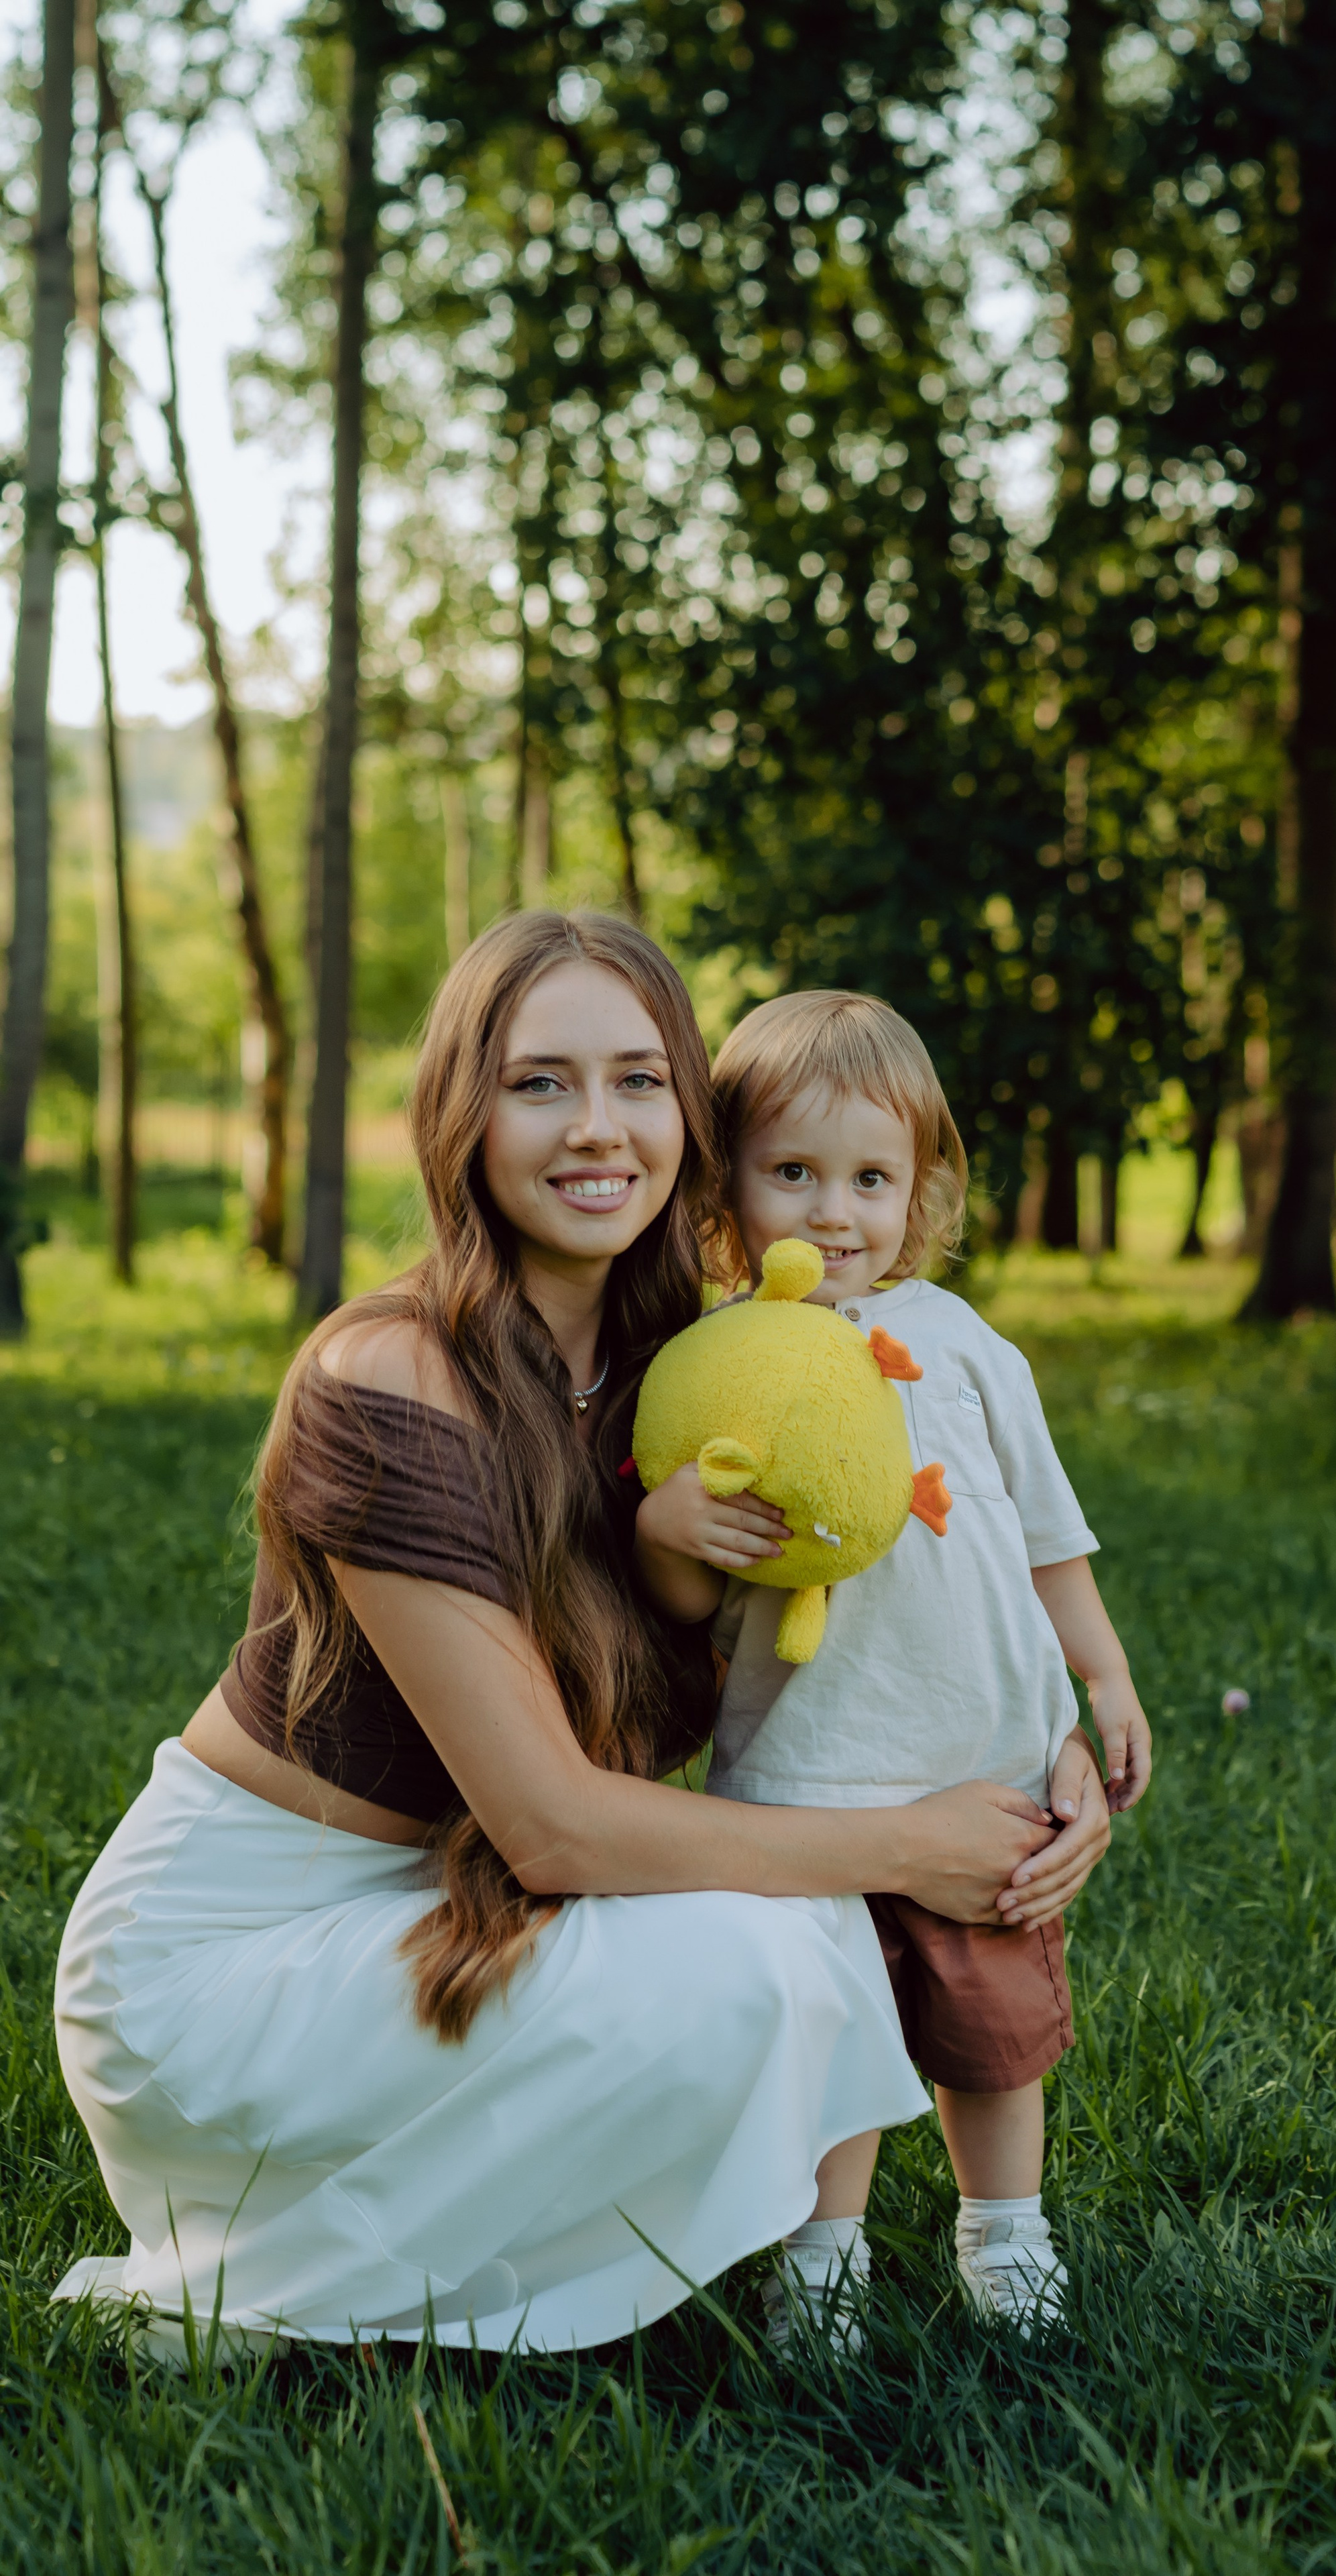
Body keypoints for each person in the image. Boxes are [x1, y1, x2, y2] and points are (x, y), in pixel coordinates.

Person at [52, 914, 1111, 2359]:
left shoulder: (700, 1370)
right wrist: (914, 1847)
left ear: (691, 1122)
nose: (597, 1127)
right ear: (462, 1114)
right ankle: (297, 2249)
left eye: (638, 1080)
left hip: (447, 1912)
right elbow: (552, 1829)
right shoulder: (388, 1375)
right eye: (540, 1082)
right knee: (779, 1947)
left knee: (792, 1935)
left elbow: (903, 1604)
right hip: (237, 1960)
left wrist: (1038, 1756)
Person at [632, 990, 1151, 2339]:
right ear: (727, 1188)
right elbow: (687, 1609)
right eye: (792, 1173)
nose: (833, 1212)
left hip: (982, 1765)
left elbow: (1048, 1541)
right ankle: (821, 2260)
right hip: (804, 1776)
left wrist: (1103, 1682)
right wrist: (668, 1531)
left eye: (871, 1178)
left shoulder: (968, 1348)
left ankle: (1005, 2232)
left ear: (920, 1188)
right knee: (831, 2037)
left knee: (994, 2034)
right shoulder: (718, 1362)